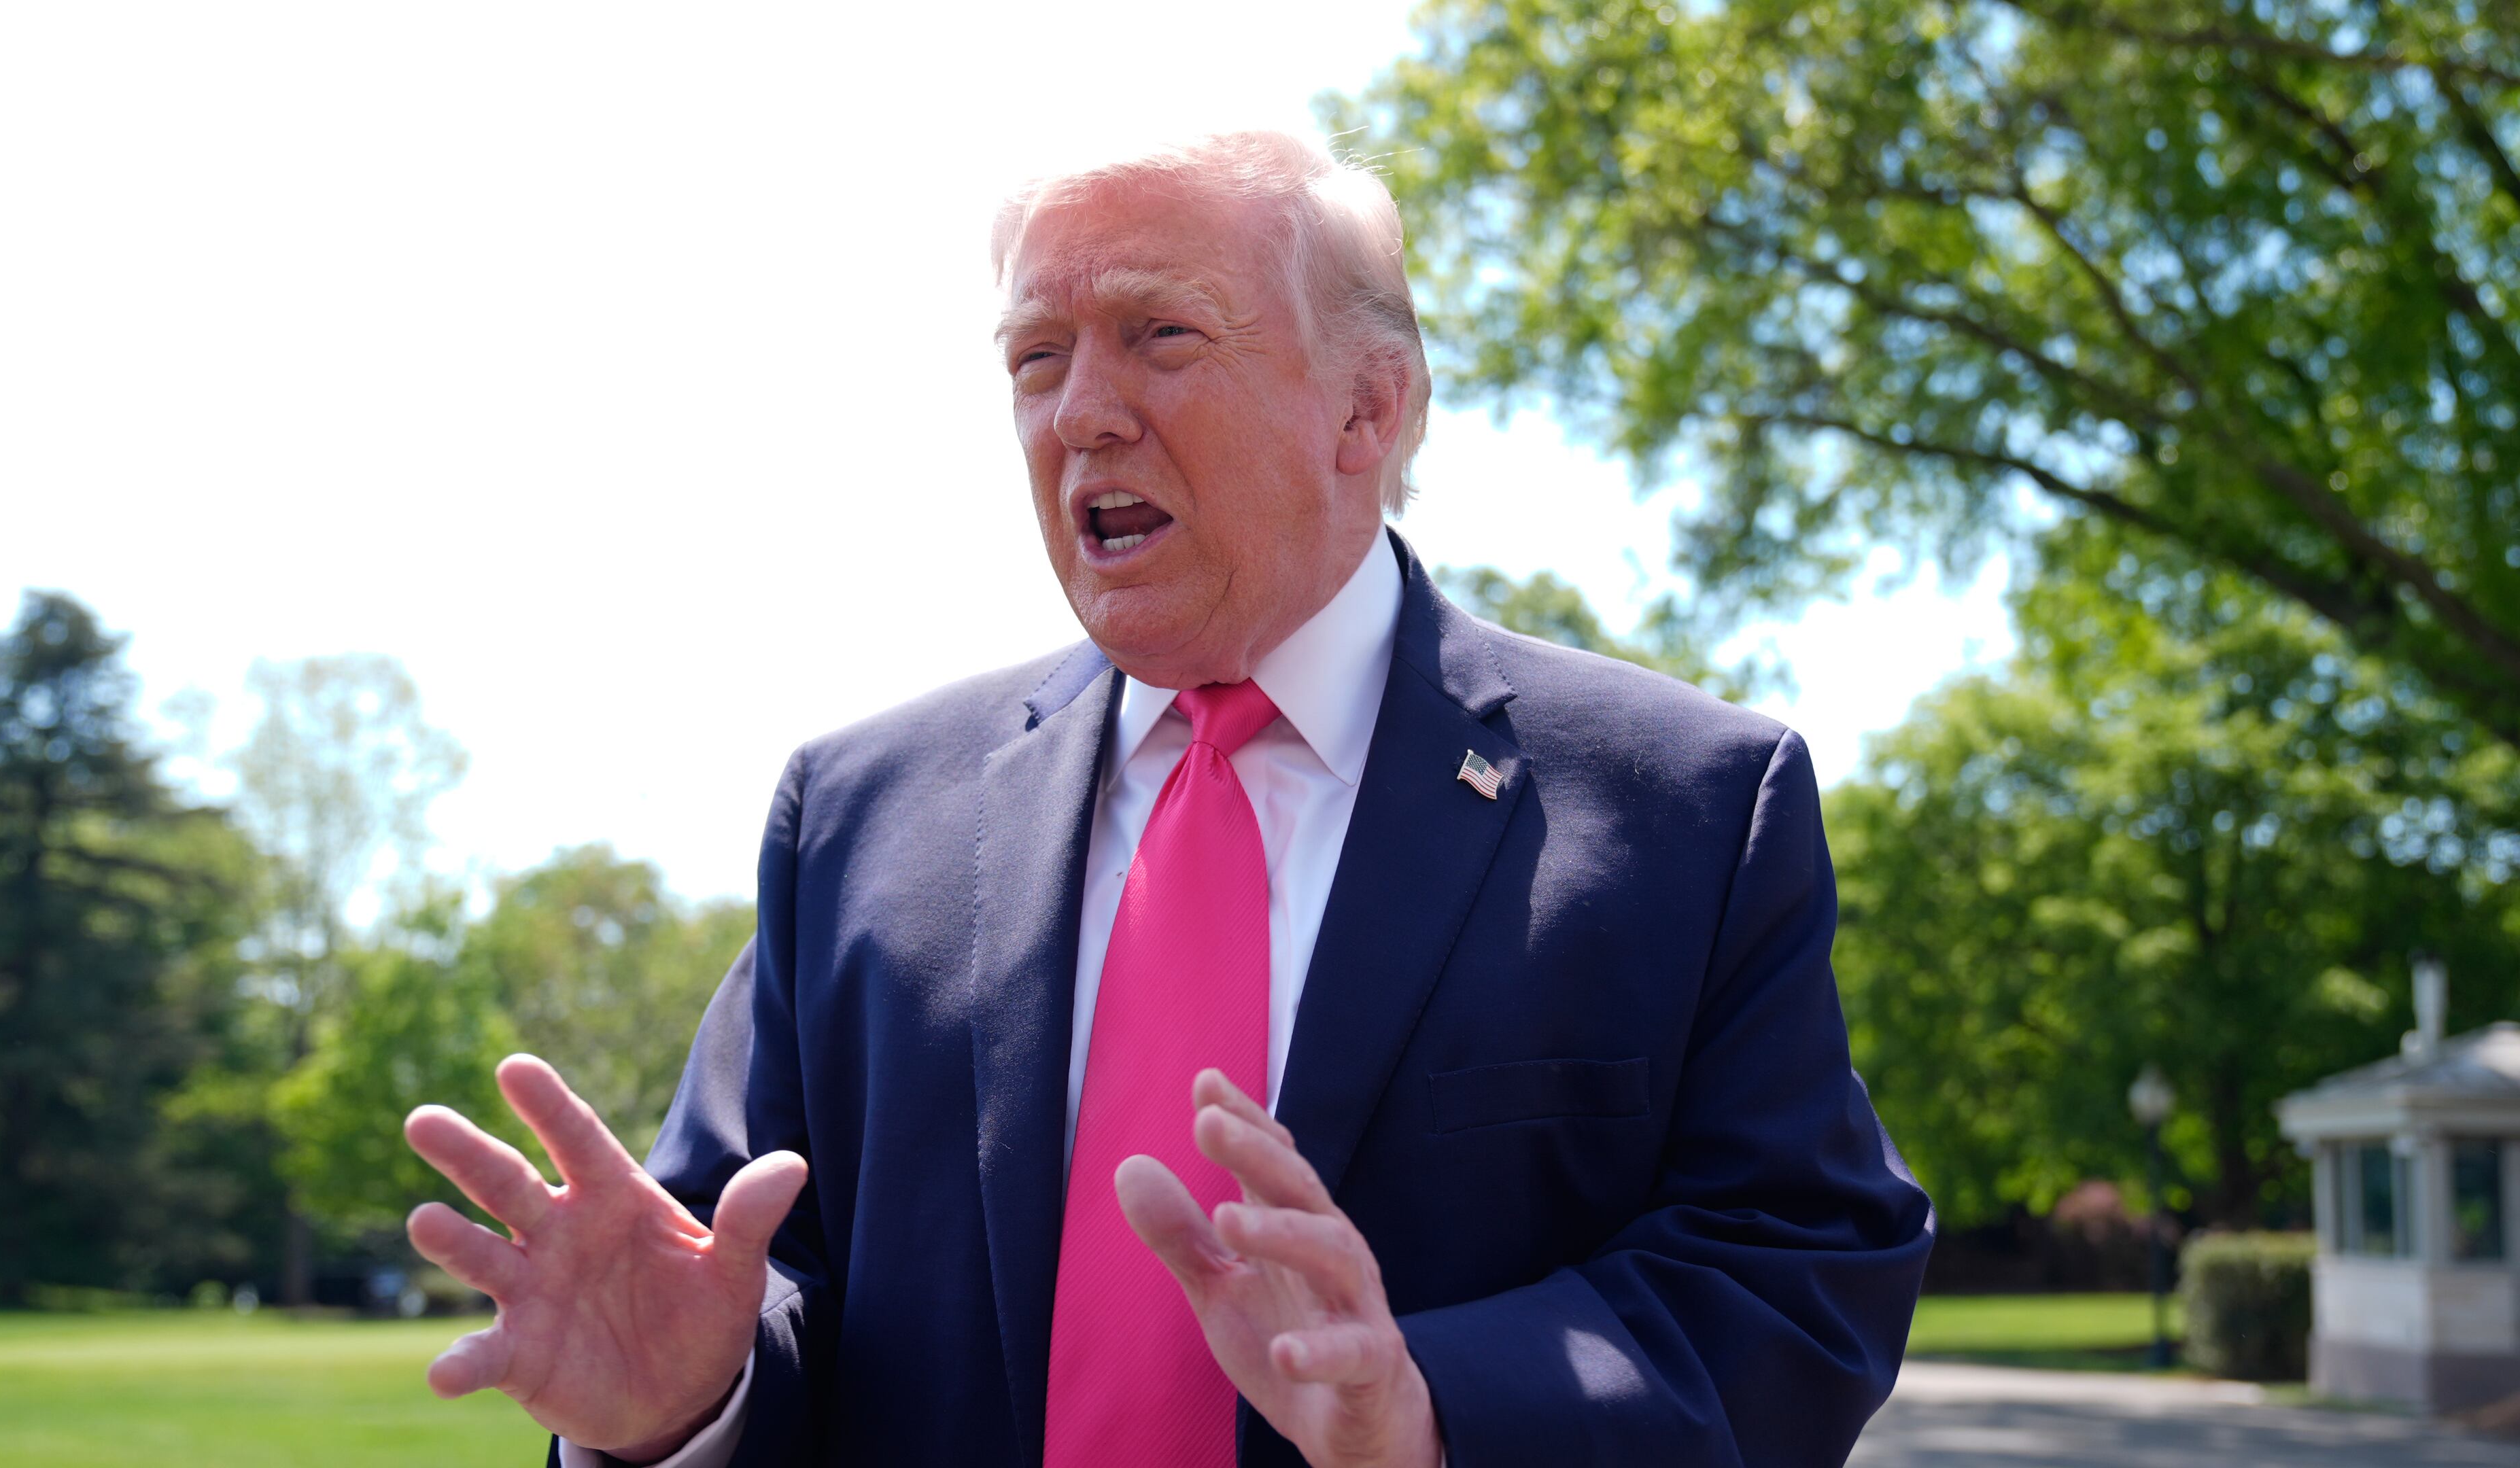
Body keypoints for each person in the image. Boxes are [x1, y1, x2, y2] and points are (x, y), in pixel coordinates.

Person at [400, 130, 1933, 1468]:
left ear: (1368, 409)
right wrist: (689, 1404)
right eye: (1035, 360)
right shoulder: (855, 821)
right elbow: (741, 1275)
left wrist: (1434, 1414)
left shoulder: (1684, 806)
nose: (1081, 413)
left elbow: (1794, 1268)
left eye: (1160, 336)